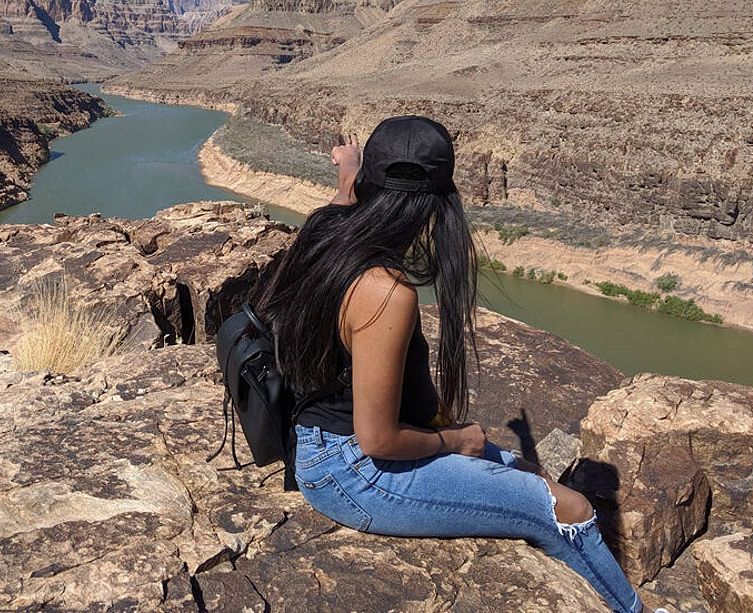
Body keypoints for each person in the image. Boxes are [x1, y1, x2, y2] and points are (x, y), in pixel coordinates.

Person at [247, 116, 644, 613]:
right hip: (356, 472)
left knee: (527, 474)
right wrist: (458, 440)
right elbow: (378, 440)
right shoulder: (386, 291)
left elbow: (345, 195)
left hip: (321, 446)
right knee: (568, 509)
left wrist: (349, 171)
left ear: (367, 180)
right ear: (436, 204)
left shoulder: (326, 228)